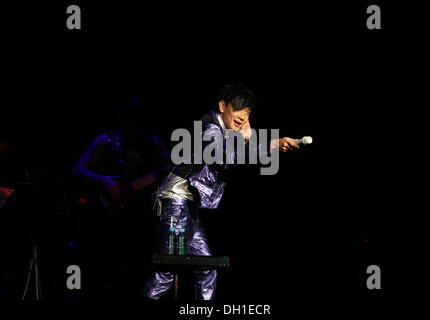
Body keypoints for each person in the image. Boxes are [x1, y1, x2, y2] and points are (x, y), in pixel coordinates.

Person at [142, 83, 301, 300]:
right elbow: (227, 153)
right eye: (239, 109)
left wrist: (272, 143)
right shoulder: (209, 127)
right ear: (222, 106)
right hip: (175, 201)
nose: (242, 116)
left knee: (208, 268)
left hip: (189, 206)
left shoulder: (224, 131)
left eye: (247, 112)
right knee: (168, 270)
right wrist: (262, 142)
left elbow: (240, 147)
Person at [72, 98, 171, 297]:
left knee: (137, 268)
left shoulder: (153, 143)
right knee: (102, 264)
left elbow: (170, 169)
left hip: (139, 216)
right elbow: (78, 169)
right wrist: (104, 182)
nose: (132, 129)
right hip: (106, 216)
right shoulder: (106, 140)